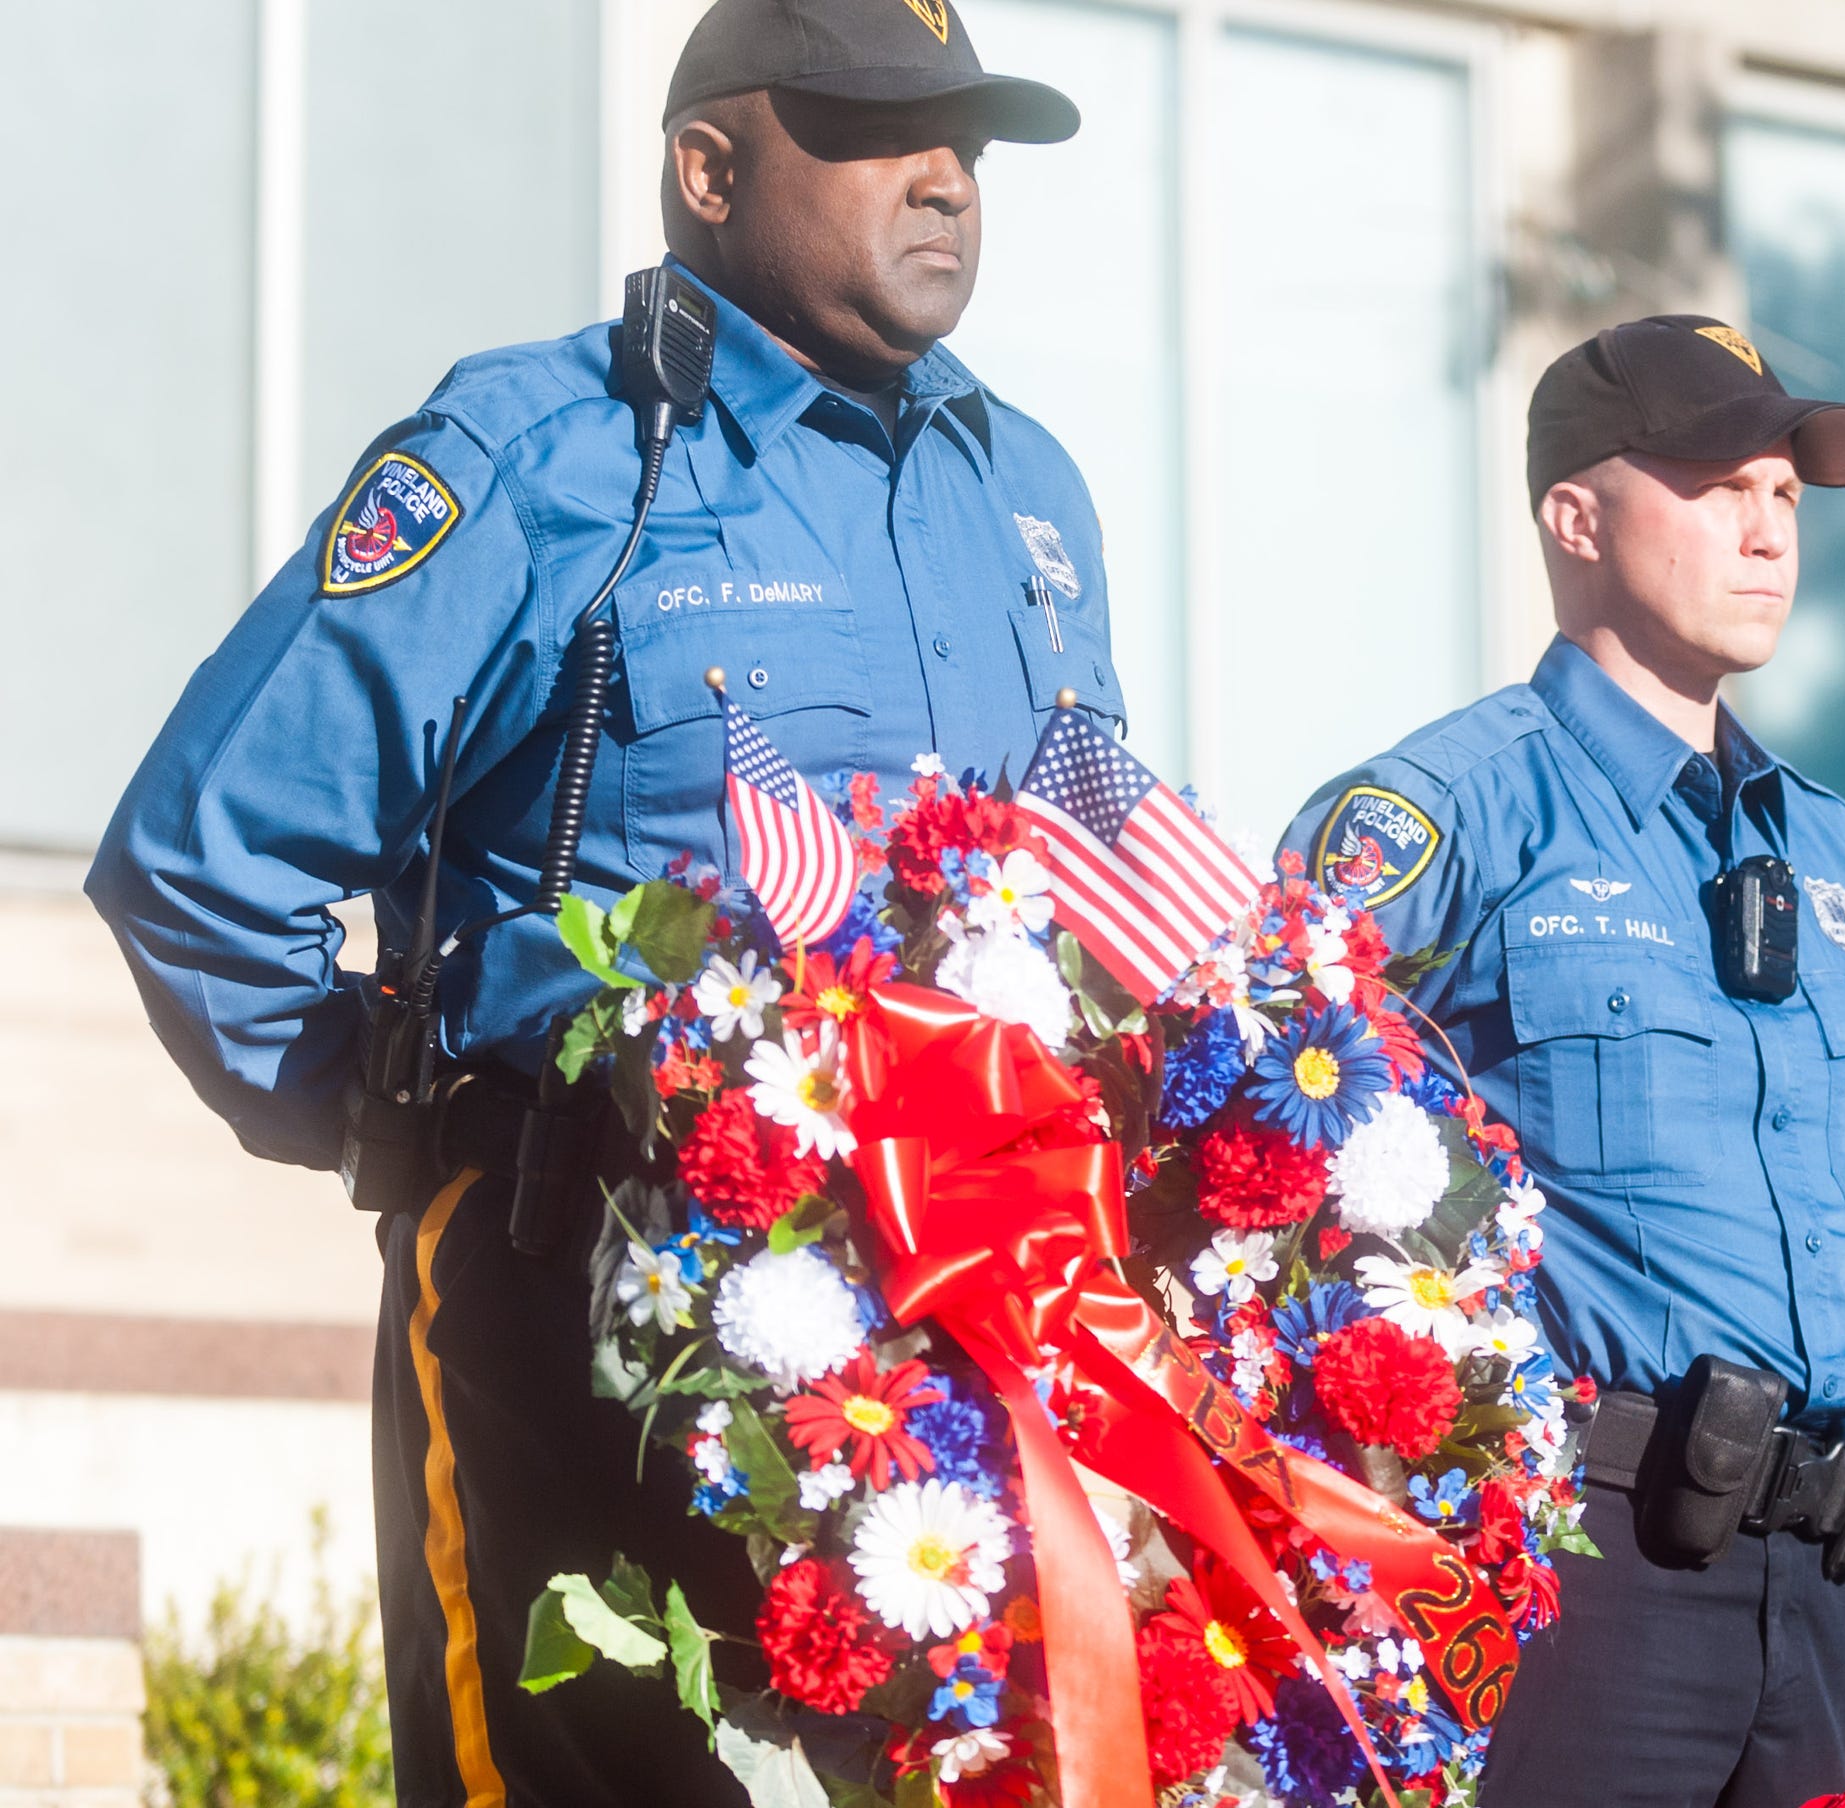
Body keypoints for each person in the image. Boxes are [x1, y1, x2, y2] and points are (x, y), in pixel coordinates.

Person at [87, 2, 1117, 1800]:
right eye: (880, 128)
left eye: (968, 134)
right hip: (577, 1315)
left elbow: (1090, 870)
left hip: (951, 1335)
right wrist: (424, 1133)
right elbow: (202, 857)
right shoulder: (540, 450)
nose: (948, 175)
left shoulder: (1020, 485)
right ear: (707, 169)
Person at [1279, 316, 1845, 1807]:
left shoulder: (1835, 845)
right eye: (1717, 487)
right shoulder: (1447, 812)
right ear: (1575, 517)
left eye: (1786, 494)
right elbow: (1258, 1111)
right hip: (1588, 1569)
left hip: (1835, 1572)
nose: (1769, 533)